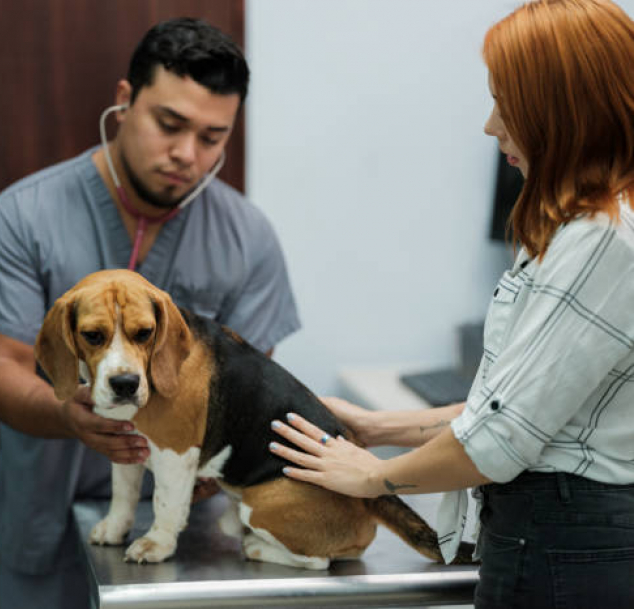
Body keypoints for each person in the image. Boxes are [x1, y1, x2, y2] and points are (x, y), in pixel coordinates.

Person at [269, 1, 634, 607]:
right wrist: (377, 427)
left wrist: (372, 476)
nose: (492, 126)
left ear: (561, 110)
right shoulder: (577, 230)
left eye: (506, 104)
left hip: (563, 544)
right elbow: (518, 407)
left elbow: (500, 441)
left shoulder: (602, 239)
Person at [0, 18, 300, 609]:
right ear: (125, 101)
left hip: (186, 528)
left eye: (213, 137)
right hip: (48, 519)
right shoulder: (21, 220)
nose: (187, 154)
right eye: (169, 124)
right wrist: (70, 413)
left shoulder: (248, 239)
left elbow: (240, 387)